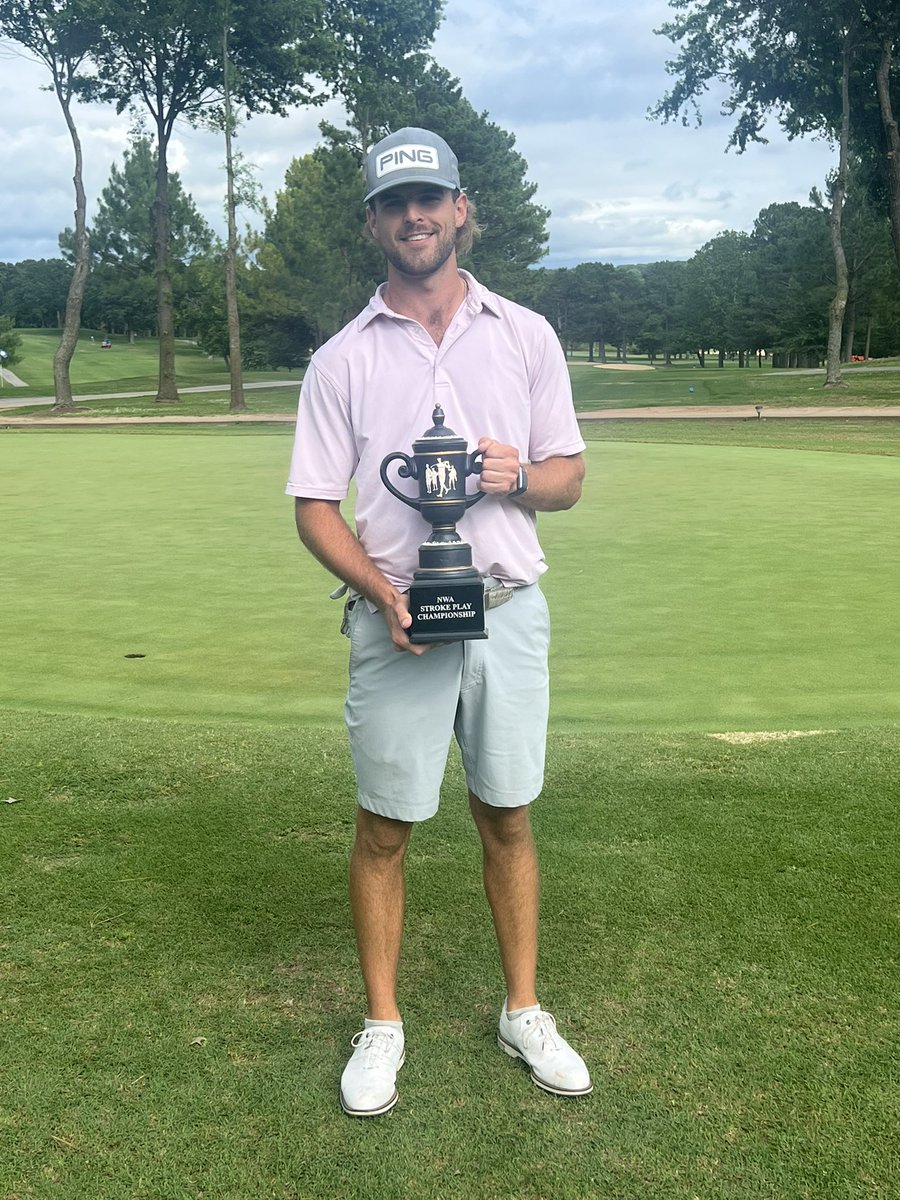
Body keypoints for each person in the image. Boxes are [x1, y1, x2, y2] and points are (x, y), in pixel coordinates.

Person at [286, 127, 590, 1117]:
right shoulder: (339, 359)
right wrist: (383, 595)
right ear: (374, 221)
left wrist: (518, 476)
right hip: (396, 622)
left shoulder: (527, 334)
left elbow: (569, 478)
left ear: (462, 209)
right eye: (394, 203)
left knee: (508, 815)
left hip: (507, 609)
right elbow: (315, 508)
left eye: (430, 199)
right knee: (384, 827)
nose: (414, 216)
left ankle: (523, 1010)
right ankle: (383, 1023)